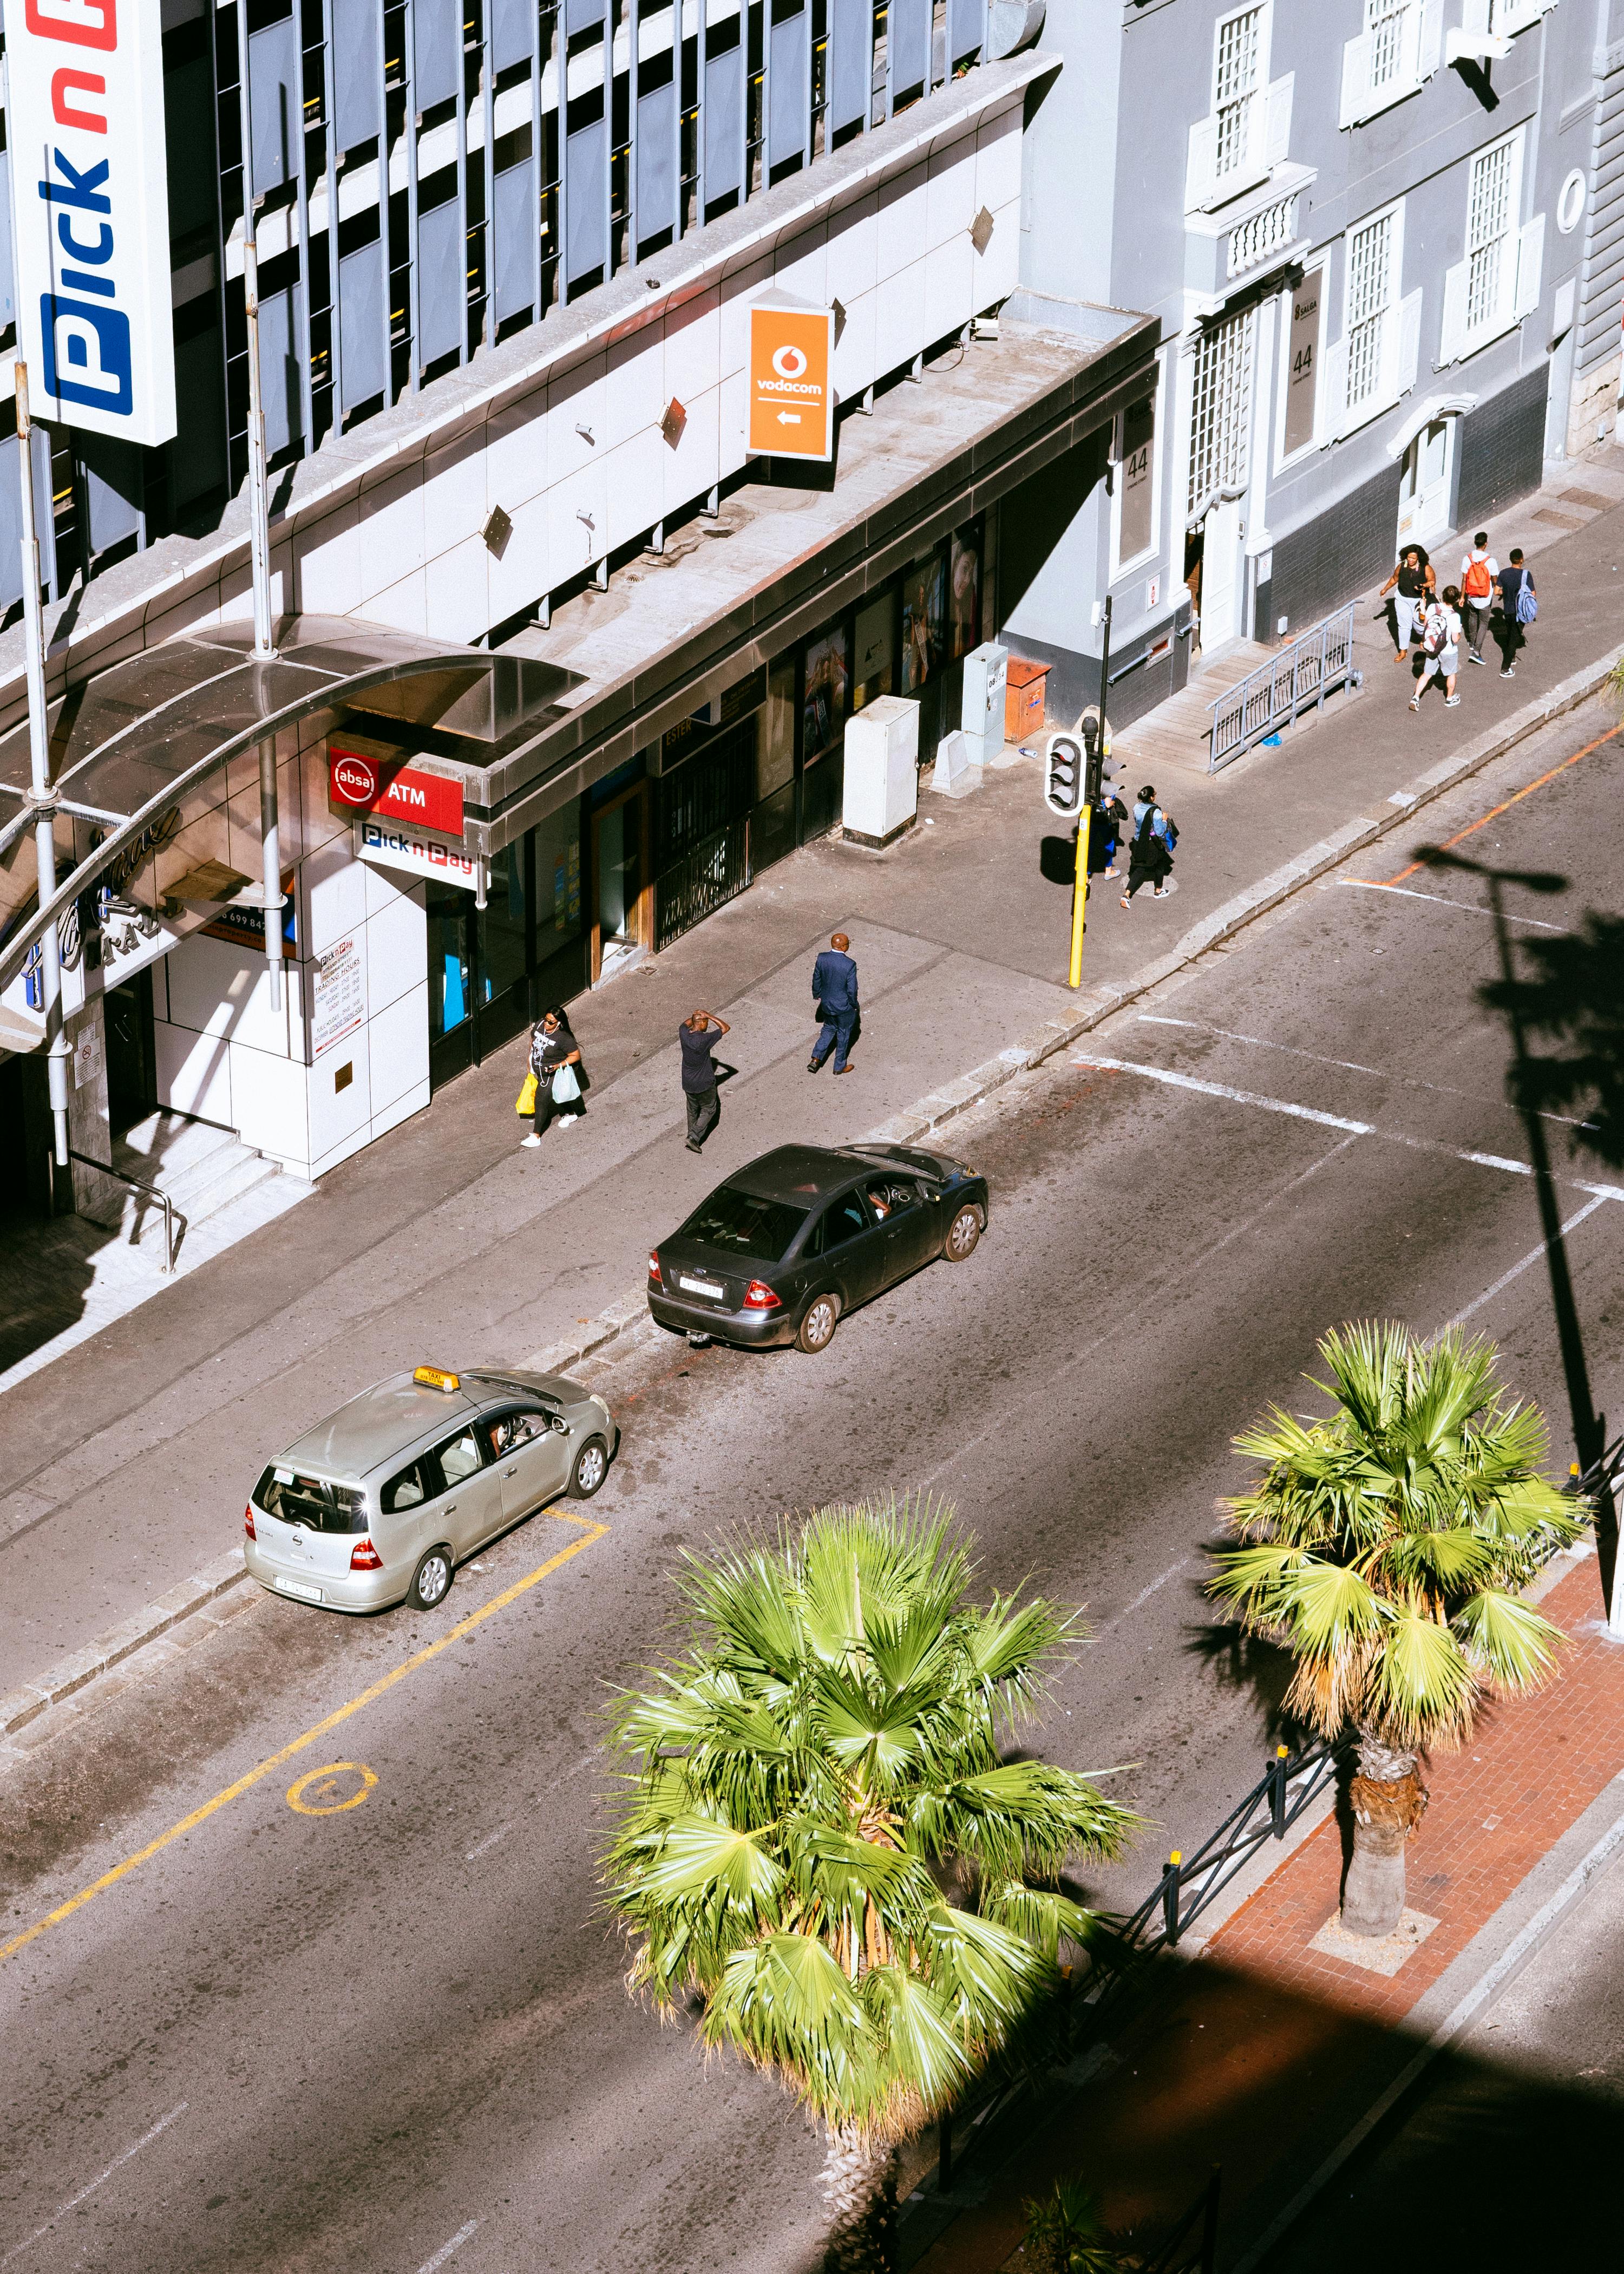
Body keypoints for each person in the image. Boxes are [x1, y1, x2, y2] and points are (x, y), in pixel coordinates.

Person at [520, 1005, 585, 1147]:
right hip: (538, 1071)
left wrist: (557, 1066)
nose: (546, 1024)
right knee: (556, 1095)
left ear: (559, 1023)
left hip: (552, 1074)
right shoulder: (539, 1026)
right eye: (546, 1020)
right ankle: (569, 1113)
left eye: (551, 1022)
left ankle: (536, 1136)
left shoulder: (563, 1038)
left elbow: (575, 1056)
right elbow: (533, 1042)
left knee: (541, 1100)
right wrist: (530, 1059)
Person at [679, 1008, 730, 1153]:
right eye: (706, 1022)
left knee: (692, 1109)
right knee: (709, 1109)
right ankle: (694, 1137)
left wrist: (695, 1016)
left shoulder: (684, 1034)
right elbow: (725, 1027)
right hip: (704, 1084)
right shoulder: (704, 1039)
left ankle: (692, 1134)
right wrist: (709, 1015)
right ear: (702, 1023)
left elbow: (684, 1024)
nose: (707, 1025)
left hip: (688, 1082)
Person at [808, 932, 859, 1076]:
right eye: (848, 944)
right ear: (843, 947)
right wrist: (854, 1005)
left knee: (829, 1029)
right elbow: (852, 989)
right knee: (843, 1035)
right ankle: (839, 1067)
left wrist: (817, 995)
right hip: (843, 1007)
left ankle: (816, 1059)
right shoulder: (849, 964)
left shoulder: (822, 958)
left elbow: (816, 979)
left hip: (827, 1004)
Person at [1410, 586, 1464, 712]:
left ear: (1443, 595)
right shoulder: (1455, 617)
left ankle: (1415, 698)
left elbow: (1426, 625)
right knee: (1451, 673)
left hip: (1432, 647)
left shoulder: (1433, 607)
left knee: (1427, 673)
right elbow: (1455, 639)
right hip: (1448, 650)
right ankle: (1450, 699)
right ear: (1456, 600)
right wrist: (1459, 633)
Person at [1379, 545, 1435, 663]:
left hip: (1418, 602)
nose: (1410, 560)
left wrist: (1423, 586)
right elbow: (1394, 579)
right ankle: (1403, 651)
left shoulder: (1426, 568)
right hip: (1402, 599)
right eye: (1409, 557)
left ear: (1419, 558)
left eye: (1413, 558)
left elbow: (1432, 581)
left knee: (1420, 626)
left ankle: (1424, 639)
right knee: (1404, 626)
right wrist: (1385, 589)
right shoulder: (1402, 566)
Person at [1122, 786, 1174, 907]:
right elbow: (1160, 832)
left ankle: (1127, 895)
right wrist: (1165, 820)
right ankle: (1157, 891)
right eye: (1154, 795)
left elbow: (1137, 821)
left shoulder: (1136, 807)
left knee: (1141, 867)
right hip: (1151, 844)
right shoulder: (1156, 812)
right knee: (1159, 864)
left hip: (1138, 841)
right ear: (1151, 798)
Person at [1493, 548, 1536, 678]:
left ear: (1511, 559)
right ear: (1522, 559)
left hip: (1508, 610)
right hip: (1520, 612)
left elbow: (1496, 592)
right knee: (1514, 639)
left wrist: (1506, 593)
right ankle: (1505, 668)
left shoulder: (1504, 573)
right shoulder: (1526, 575)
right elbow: (1533, 594)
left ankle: (1512, 657)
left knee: (1511, 632)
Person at [1458, 532, 1498, 665]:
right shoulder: (1491, 561)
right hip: (1485, 597)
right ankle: (1476, 652)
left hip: (1471, 595)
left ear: (1475, 543)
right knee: (1484, 623)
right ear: (1486, 544)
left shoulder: (1467, 559)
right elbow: (1494, 580)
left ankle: (1471, 641)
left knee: (1472, 617)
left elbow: (1464, 580)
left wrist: (1462, 597)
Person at [1087, 783, 1130, 883]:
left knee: (1088, 846)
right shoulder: (1106, 786)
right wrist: (1114, 802)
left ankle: (1086, 876)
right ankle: (1108, 871)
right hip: (1104, 820)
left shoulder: (1090, 783)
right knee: (1109, 844)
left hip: (1091, 818)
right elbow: (1108, 804)